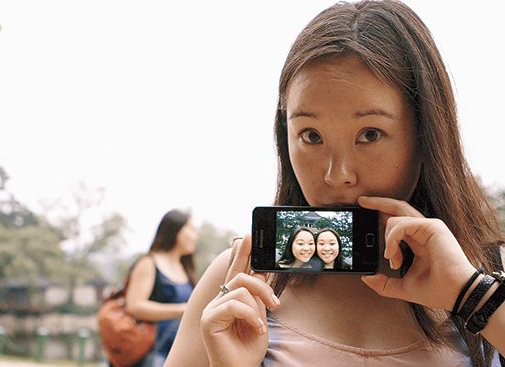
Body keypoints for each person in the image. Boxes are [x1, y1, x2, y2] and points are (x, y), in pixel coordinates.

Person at [165, 1, 505, 366]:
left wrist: (471, 296)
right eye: (311, 135)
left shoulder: (488, 273)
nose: (337, 174)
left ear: (425, 135)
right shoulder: (239, 282)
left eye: (370, 134)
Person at [123, 209, 198, 367]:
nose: (195, 235)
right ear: (175, 230)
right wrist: (181, 310)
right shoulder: (148, 263)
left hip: (179, 349)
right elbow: (135, 306)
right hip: (152, 350)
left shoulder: (185, 268)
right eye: (191, 229)